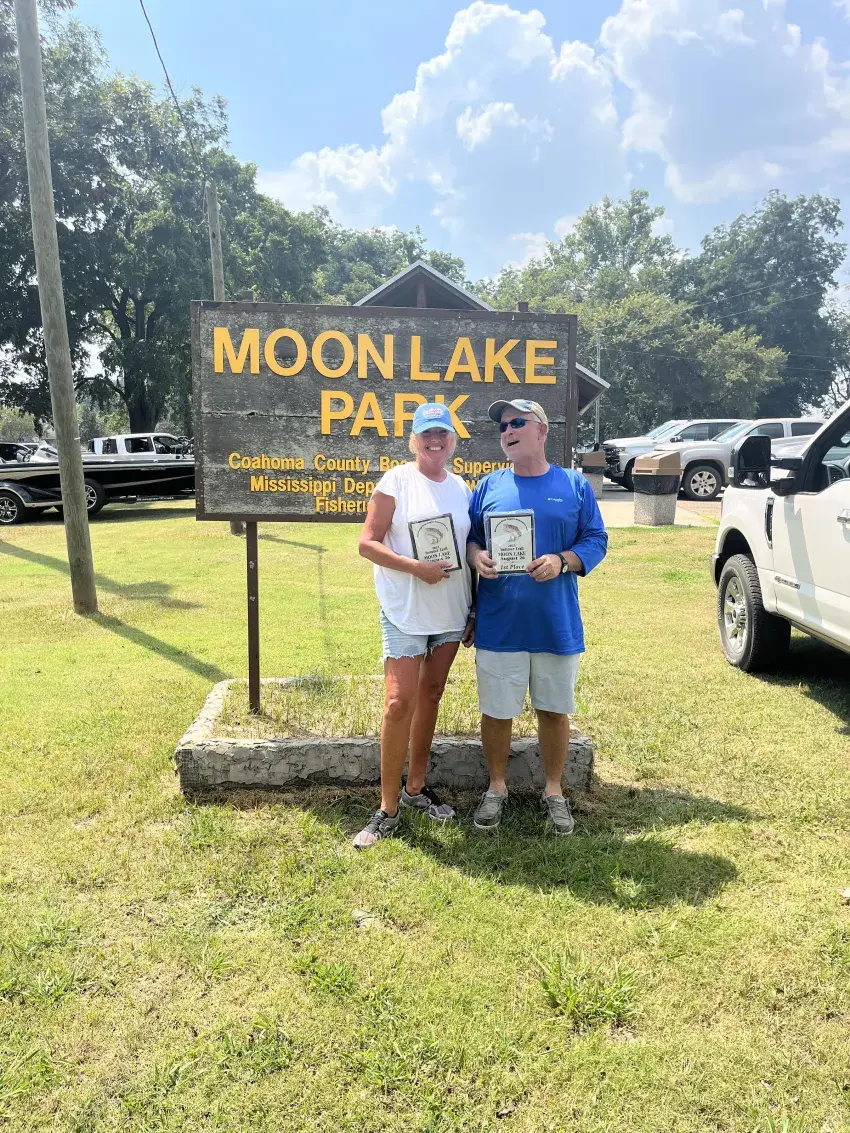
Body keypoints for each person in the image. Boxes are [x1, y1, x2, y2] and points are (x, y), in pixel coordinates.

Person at [466, 398, 608, 836]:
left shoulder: (574, 485)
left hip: (554, 623)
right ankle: (496, 788)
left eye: (517, 423)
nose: (507, 431)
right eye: (503, 426)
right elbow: (471, 539)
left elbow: (596, 539)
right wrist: (476, 557)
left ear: (542, 430)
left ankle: (554, 791)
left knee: (553, 710)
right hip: (499, 622)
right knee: (496, 712)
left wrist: (563, 560)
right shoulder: (487, 487)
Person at [353, 403, 474, 848]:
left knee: (431, 694)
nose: (435, 441)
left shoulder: (461, 488)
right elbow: (367, 544)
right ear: (414, 441)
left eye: (442, 433)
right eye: (427, 434)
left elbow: (471, 548)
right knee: (398, 703)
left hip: (450, 610)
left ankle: (416, 789)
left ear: (452, 440)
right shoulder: (396, 481)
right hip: (404, 608)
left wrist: (475, 609)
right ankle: (387, 809)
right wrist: (414, 568)